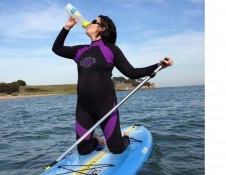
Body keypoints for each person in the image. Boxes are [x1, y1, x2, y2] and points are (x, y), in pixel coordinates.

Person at [52, 15, 173, 155]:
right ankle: (97, 140)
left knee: (117, 149)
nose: (88, 23)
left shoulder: (111, 50)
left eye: (94, 22)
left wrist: (158, 66)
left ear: (102, 29)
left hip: (106, 106)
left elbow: (132, 72)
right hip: (83, 107)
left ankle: (125, 137)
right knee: (83, 150)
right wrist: (67, 27)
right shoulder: (80, 51)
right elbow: (57, 48)